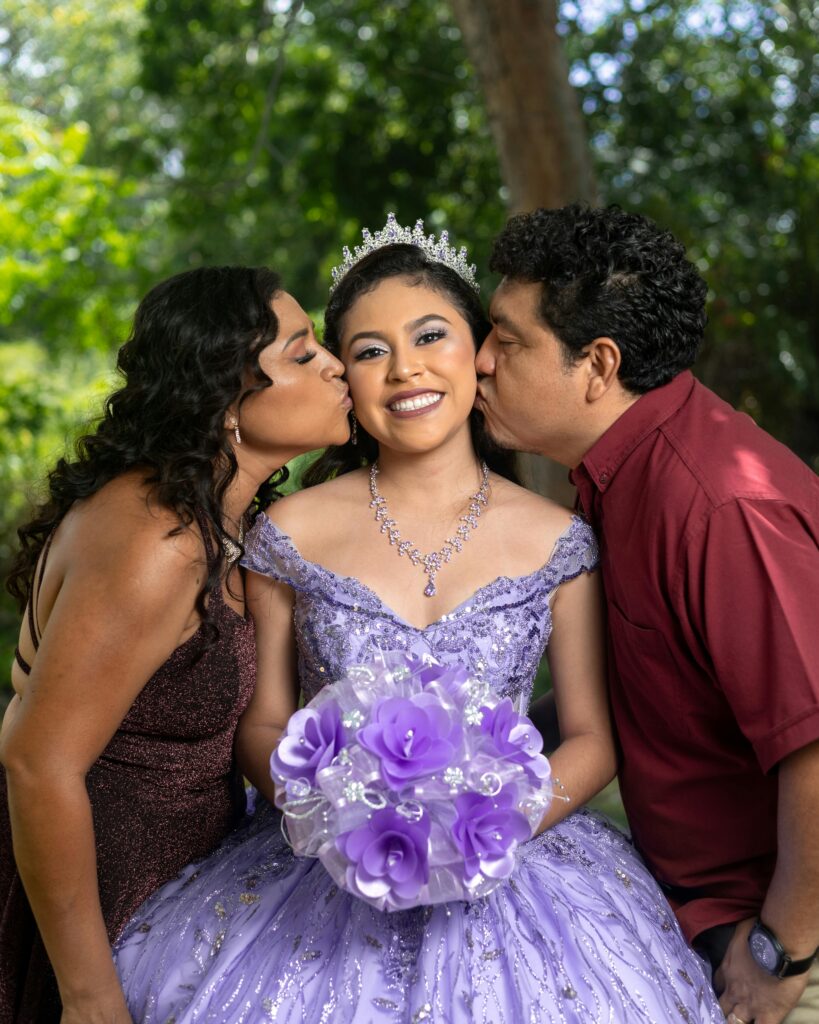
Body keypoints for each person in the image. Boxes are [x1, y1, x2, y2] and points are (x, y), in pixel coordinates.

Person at [114, 217, 722, 1023]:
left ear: (480, 350)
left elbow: (591, 738)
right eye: (369, 351)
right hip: (318, 875)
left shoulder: (561, 540)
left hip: (519, 871)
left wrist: (485, 831)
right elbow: (263, 722)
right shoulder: (287, 534)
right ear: (345, 378)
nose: (404, 368)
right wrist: (332, 816)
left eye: (430, 335)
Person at [474, 203, 819, 1024]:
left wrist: (780, 953)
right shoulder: (614, 477)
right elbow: (638, 687)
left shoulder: (721, 506)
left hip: (780, 948)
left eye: (507, 340)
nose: (478, 360)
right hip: (695, 915)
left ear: (597, 364)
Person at [0, 265, 351, 1024]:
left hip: (184, 892)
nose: (335, 365)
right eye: (302, 353)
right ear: (228, 400)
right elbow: (36, 761)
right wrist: (88, 996)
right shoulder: (156, 540)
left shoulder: (223, 520)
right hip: (92, 912)